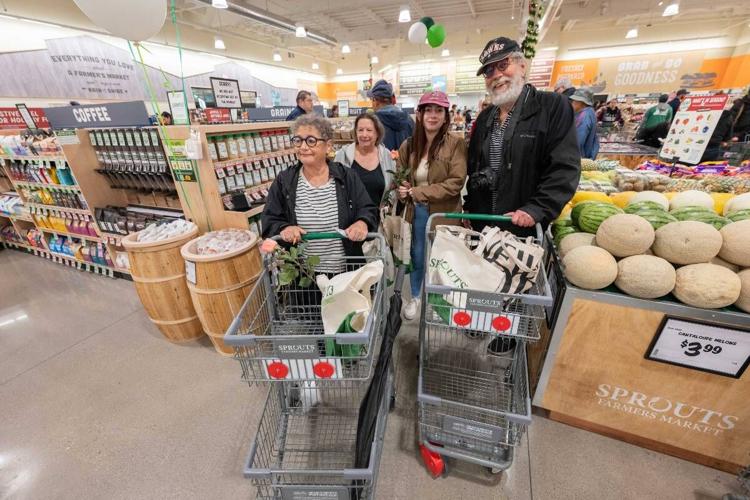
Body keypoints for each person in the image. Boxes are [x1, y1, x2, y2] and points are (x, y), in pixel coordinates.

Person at [465, 36, 580, 231]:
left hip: (522, 228)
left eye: (503, 65)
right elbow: (475, 169)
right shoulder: (485, 118)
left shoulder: (552, 107)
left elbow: (564, 168)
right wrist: (469, 206)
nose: (496, 75)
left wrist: (537, 209)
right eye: (489, 70)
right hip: (483, 226)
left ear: (522, 66)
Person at [261, 114, 377, 269]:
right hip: (304, 276)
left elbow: (367, 208)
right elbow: (270, 218)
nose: (303, 147)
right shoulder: (285, 180)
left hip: (345, 273)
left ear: (328, 146)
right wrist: (284, 228)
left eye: (311, 141)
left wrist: (362, 223)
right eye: (298, 140)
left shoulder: (346, 176)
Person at [395, 90, 467, 320]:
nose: (433, 115)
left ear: (446, 116)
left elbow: (455, 183)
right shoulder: (409, 145)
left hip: (445, 213)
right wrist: (403, 189)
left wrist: (417, 191)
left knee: (442, 257)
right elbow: (402, 174)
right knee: (417, 255)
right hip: (417, 212)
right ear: (420, 114)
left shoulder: (455, 145)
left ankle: (439, 303)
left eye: (439, 111)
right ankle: (416, 296)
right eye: (428, 110)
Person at [334, 112, 395, 211]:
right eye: (360, 130)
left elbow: (392, 188)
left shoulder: (386, 155)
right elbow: (335, 188)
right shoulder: (343, 155)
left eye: (369, 130)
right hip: (351, 221)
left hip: (379, 220)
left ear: (377, 133)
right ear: (355, 133)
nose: (364, 134)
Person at [368, 79, 414, 151]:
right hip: (406, 161)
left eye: (372, 99)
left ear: (375, 101)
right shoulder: (409, 119)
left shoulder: (373, 122)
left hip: (383, 162)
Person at [570, 88, 600, 160]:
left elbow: (578, 141)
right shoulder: (590, 112)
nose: (572, 103)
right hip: (587, 156)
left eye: (574, 101)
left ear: (581, 102)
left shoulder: (583, 116)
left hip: (580, 157)